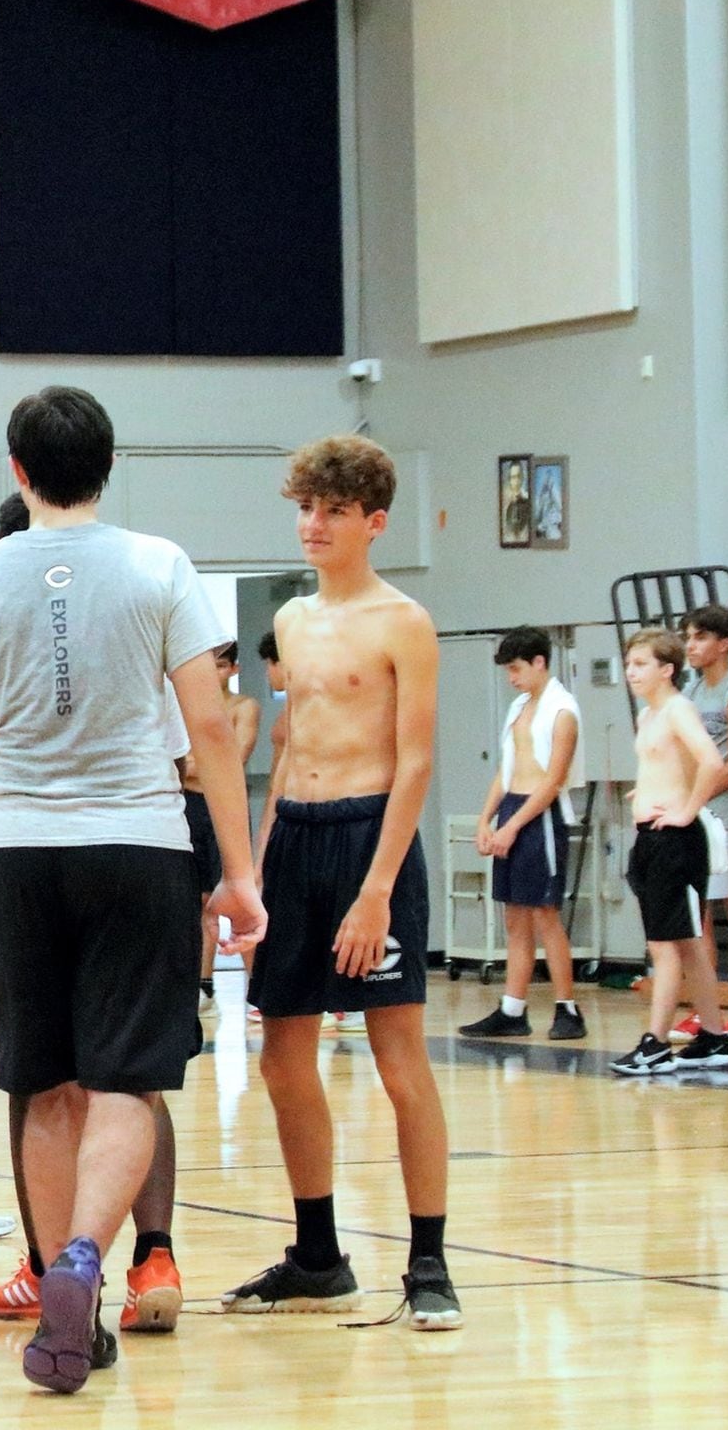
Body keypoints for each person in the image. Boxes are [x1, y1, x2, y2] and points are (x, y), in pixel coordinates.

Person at [0, 388, 264, 1391]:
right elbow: (213, 730)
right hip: (139, 844)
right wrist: (240, 871)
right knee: (127, 1080)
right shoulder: (160, 564)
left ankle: (72, 1293)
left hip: (14, 850)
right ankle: (83, 1261)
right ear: (111, 465)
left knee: (45, 1082)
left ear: (17, 470)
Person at [223, 434, 459, 1331]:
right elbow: (287, 753)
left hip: (372, 844)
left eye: (331, 511)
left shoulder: (405, 621)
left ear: (374, 523)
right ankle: (318, 1254)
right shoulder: (290, 622)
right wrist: (252, 868)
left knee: (399, 1057)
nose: (312, 525)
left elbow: (417, 762)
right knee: (284, 1054)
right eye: (305, 508)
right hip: (297, 845)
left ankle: (429, 1260)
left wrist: (377, 888)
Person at [608, 629, 728, 1075]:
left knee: (664, 948)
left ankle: (656, 1044)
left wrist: (686, 811)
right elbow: (671, 766)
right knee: (687, 944)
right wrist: (645, 794)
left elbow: (713, 761)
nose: (631, 672)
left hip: (676, 843)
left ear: (667, 669)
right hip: (651, 837)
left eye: (641, 664)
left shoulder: (679, 709)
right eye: (628, 664)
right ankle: (716, 1038)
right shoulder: (649, 717)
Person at [460, 628, 584, 1041]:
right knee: (514, 915)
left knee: (545, 914)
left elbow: (553, 780)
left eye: (516, 669)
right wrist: (486, 819)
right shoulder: (519, 706)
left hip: (541, 814)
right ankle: (513, 1008)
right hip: (514, 805)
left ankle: (568, 1008)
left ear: (539, 662)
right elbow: (506, 769)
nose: (511, 678)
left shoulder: (563, 709)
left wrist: (513, 826)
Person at [680, 605, 728, 1043]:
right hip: (697, 814)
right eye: (688, 637)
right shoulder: (690, 693)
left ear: (724, 643)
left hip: (726, 815)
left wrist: (695, 796)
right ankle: (706, 1010)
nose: (691, 645)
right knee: (700, 913)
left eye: (700, 637)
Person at [187, 644, 262, 1003]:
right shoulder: (186, 707)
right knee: (197, 901)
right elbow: (177, 765)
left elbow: (232, 758)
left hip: (222, 808)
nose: (213, 673)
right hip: (186, 807)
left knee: (238, 896)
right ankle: (202, 985)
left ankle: (259, 987)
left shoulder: (244, 707)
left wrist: (193, 764)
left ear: (233, 669)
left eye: (219, 666)